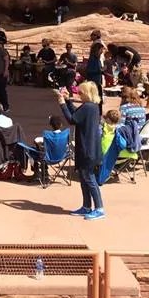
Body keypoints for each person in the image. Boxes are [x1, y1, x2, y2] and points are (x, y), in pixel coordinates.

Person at [55, 81, 104, 220]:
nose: (79, 94)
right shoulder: (92, 106)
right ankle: (87, 206)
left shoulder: (88, 107)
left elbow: (72, 119)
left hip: (87, 149)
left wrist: (62, 103)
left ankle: (99, 208)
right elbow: (77, 114)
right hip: (89, 147)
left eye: (81, 92)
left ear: (87, 93)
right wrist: (68, 100)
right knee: (84, 178)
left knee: (89, 178)